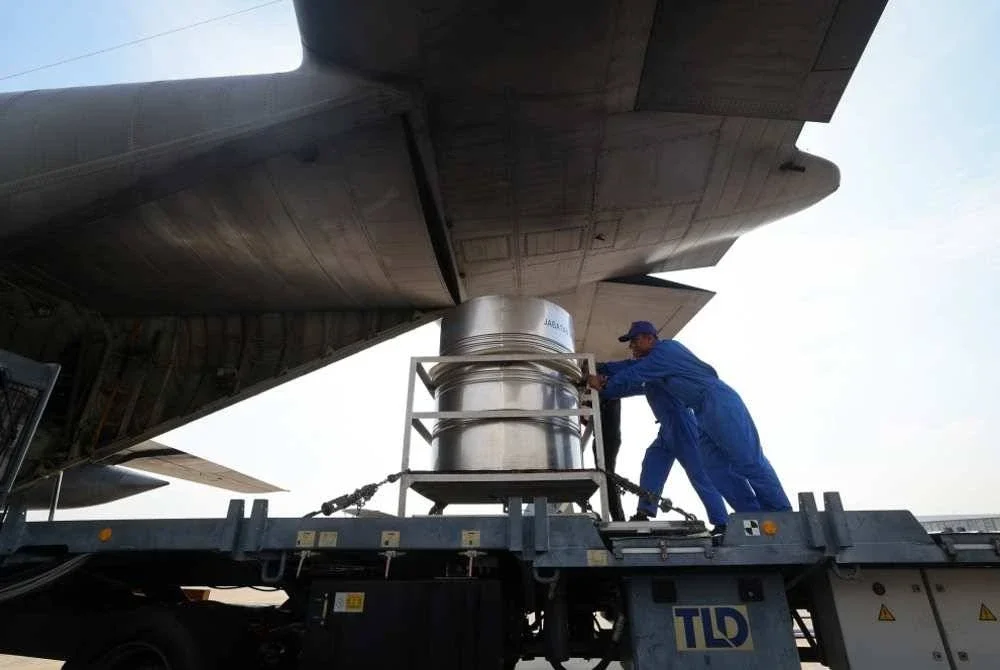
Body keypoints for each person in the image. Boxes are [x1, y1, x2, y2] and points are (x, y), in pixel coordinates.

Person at [589, 321, 792, 513]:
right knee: (714, 467)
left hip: (719, 402)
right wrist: (603, 370)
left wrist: (606, 383)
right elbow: (630, 369)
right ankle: (751, 515)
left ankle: (781, 513)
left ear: (649, 338)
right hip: (701, 412)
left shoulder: (666, 350)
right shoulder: (655, 365)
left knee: (746, 459)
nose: (631, 346)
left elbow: (635, 372)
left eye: (634, 340)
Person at [595, 359, 730, 533]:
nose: (632, 348)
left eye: (634, 344)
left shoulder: (656, 364)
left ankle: (722, 522)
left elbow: (631, 370)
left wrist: (603, 369)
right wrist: (605, 390)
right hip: (667, 429)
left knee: (698, 473)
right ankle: (644, 512)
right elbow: (630, 386)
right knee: (652, 462)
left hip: (682, 425)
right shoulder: (648, 378)